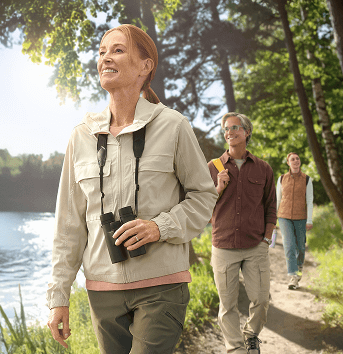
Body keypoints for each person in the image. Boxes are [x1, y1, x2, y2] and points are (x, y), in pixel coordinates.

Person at [46, 24, 218, 354]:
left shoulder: (173, 125)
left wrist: (159, 227)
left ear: (145, 65)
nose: (105, 58)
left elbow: (203, 196)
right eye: (101, 52)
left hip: (162, 287)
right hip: (101, 291)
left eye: (118, 50)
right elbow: (68, 226)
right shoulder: (80, 136)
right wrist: (58, 298)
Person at [208, 112, 276, 354]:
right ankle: (235, 348)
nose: (230, 132)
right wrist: (218, 188)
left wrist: (267, 238)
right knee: (227, 305)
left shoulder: (263, 169)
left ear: (247, 132)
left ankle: (251, 336)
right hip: (224, 246)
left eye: (235, 127)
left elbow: (270, 206)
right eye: (226, 129)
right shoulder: (213, 167)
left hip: (255, 245)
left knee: (261, 300)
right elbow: (202, 210)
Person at [276, 152, 313, 290]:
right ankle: (293, 277)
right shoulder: (281, 179)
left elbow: (309, 201)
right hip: (284, 216)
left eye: (297, 158)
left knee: (300, 248)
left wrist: (309, 219)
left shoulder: (307, 179)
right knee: (289, 245)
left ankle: (299, 267)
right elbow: (278, 199)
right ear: (288, 163)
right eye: (293, 159)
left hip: (301, 217)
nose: (296, 161)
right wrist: (273, 218)